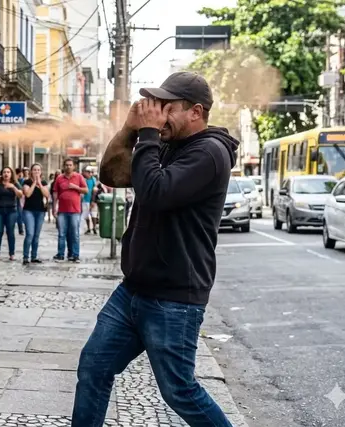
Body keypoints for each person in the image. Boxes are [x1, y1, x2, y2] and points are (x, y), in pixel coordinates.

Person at [71, 72, 239, 427]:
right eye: (156, 107)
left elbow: (156, 192)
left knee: (179, 390)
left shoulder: (209, 153)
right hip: (134, 290)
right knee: (94, 367)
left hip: (174, 297)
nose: (159, 115)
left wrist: (147, 134)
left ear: (195, 112)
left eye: (168, 107)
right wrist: (131, 130)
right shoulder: (165, 145)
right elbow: (112, 174)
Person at [52, 159, 87, 263]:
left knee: (74, 234)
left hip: (75, 210)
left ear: (73, 166)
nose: (68, 167)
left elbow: (85, 190)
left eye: (70, 165)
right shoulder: (59, 178)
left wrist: (75, 187)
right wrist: (54, 207)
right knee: (61, 233)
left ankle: (75, 255)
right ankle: (60, 254)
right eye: (66, 165)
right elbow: (55, 193)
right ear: (64, 166)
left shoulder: (79, 177)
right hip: (62, 210)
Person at [0, 167, 23, 260]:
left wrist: (13, 187)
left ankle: (12, 254)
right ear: (1, 174)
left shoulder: (15, 184)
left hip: (11, 210)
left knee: (10, 232)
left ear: (11, 174)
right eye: (4, 172)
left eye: (8, 172)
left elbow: (20, 195)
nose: (6, 174)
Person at [21, 163, 50, 265]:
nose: (36, 172)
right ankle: (25, 256)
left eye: (38, 170)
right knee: (30, 234)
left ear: (41, 172)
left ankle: (34, 256)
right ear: (31, 171)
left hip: (40, 211)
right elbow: (27, 194)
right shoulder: (27, 182)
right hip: (28, 210)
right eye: (34, 170)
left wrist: (40, 184)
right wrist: (34, 183)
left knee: (36, 235)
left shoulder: (44, 182)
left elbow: (47, 195)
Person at [80, 167, 97, 234]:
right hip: (85, 200)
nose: (84, 173)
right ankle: (88, 228)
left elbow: (95, 191)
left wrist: (93, 200)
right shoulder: (84, 180)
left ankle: (94, 228)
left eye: (85, 172)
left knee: (94, 214)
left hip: (92, 200)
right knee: (86, 215)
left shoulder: (93, 180)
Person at [15, 167, 25, 235]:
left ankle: (20, 229)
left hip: (19, 199)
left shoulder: (22, 180)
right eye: (19, 173)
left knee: (19, 215)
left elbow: (22, 189)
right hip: (13, 199)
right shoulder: (13, 180)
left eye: (21, 173)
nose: (20, 175)